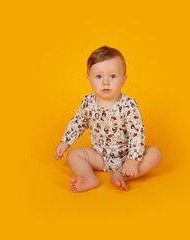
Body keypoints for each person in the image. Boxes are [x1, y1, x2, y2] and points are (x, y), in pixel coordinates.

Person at [54, 45, 163, 192]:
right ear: (89, 79)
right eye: (99, 76)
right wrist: (65, 141)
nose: (105, 82)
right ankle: (88, 177)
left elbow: (136, 134)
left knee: (155, 154)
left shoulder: (129, 105)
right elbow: (78, 122)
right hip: (100, 157)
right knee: (73, 155)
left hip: (127, 156)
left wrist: (133, 160)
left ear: (123, 79)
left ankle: (122, 175)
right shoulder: (88, 102)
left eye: (112, 76)